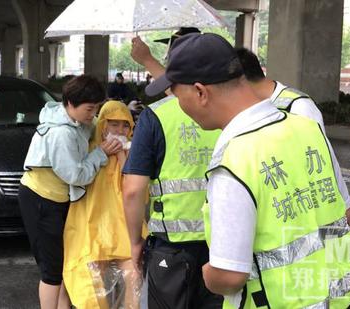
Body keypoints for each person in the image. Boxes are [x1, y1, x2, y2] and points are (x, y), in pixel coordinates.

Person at [146, 32, 350, 308]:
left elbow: (229, 276)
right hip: (336, 299)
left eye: (177, 95)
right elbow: (347, 212)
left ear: (200, 92)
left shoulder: (235, 161)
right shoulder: (307, 128)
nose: (179, 105)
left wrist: (208, 274)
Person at [123, 31, 223, 308]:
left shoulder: (156, 116)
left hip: (171, 247)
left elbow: (133, 191)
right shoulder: (231, 114)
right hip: (225, 243)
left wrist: (134, 242)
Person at [18, 75, 123, 309]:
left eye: (96, 108)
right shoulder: (61, 134)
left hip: (59, 200)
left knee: (66, 263)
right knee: (52, 270)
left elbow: (99, 128)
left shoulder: (79, 121)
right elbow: (76, 176)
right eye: (89, 108)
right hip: (41, 201)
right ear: (71, 103)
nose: (93, 114)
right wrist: (101, 154)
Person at [236, 47, 350, 224]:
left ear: (240, 82)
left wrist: (344, 204)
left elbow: (323, 162)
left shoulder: (299, 108)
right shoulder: (250, 108)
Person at [63, 100, 145, 309]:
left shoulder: (134, 153)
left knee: (134, 275)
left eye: (125, 125)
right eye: (113, 124)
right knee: (89, 279)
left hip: (125, 227)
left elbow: (134, 188)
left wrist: (120, 155)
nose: (119, 130)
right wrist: (102, 153)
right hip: (92, 227)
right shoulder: (89, 150)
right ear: (103, 125)